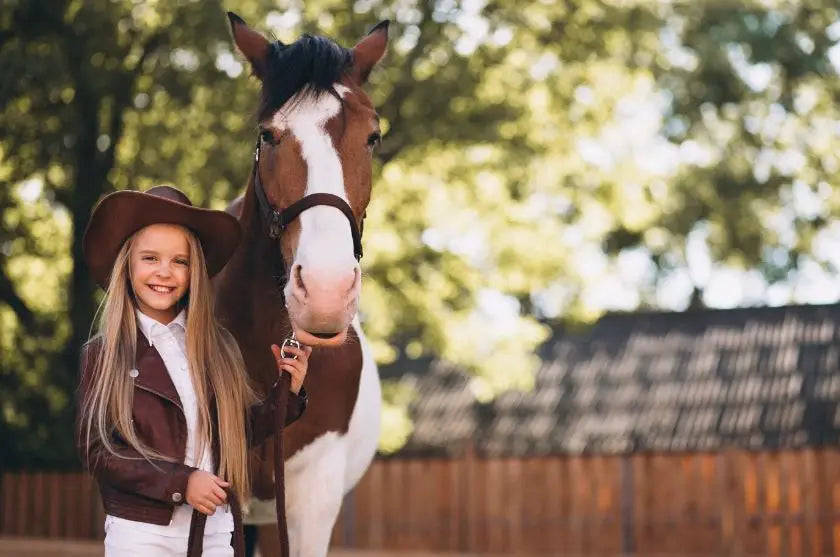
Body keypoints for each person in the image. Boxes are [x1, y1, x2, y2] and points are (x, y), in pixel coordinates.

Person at [76, 185, 310, 556]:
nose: (164, 272)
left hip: (216, 529)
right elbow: (101, 452)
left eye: (180, 261)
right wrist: (181, 483)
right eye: (150, 258)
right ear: (128, 264)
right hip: (142, 533)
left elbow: (235, 431)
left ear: (194, 271)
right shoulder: (104, 355)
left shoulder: (219, 350)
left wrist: (287, 394)